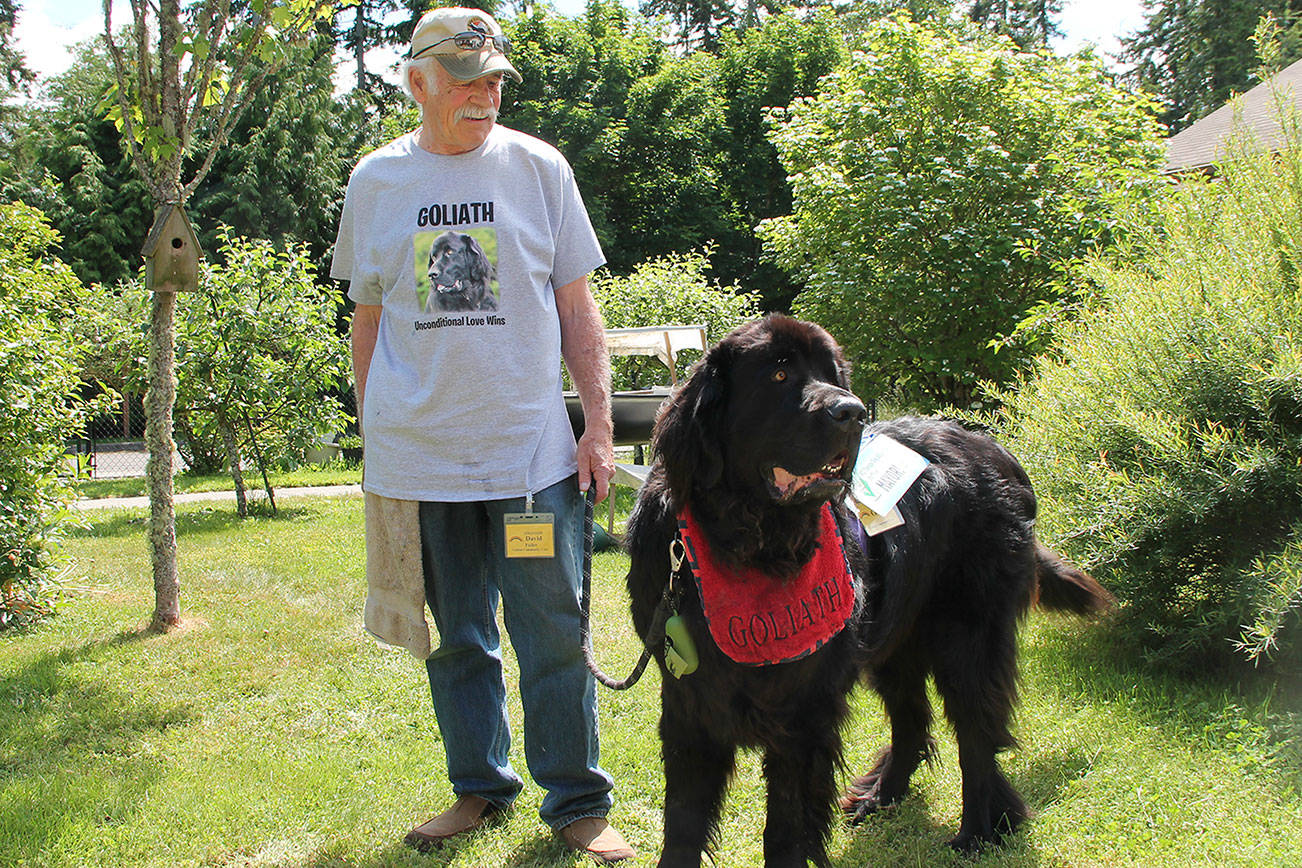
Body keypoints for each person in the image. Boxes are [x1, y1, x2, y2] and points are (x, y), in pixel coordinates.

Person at [331, 8, 632, 864]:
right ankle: (479, 787)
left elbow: (579, 309)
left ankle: (576, 801)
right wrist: (374, 427)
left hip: (528, 458)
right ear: (418, 81)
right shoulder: (377, 180)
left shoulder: (540, 169)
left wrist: (598, 427)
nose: (484, 94)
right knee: (458, 637)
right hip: (421, 460)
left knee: (549, 635)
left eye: (494, 79)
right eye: (464, 79)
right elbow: (370, 313)